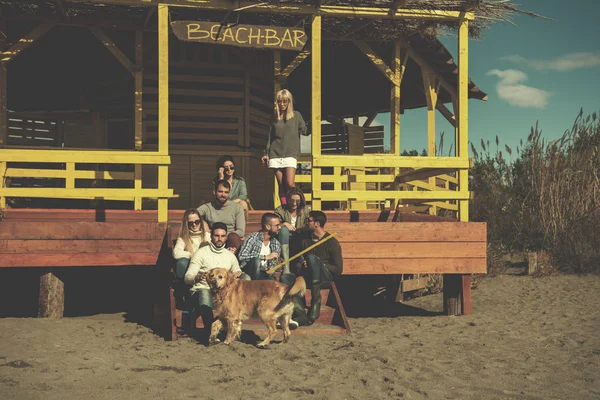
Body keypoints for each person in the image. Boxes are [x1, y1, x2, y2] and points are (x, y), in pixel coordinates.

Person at [184, 222, 250, 333]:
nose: (220, 239)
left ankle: (235, 321)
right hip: (202, 291)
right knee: (205, 292)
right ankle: (209, 329)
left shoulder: (229, 255)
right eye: (216, 235)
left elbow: (237, 271)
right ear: (211, 236)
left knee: (246, 278)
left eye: (223, 236)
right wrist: (198, 277)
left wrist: (238, 273)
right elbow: (188, 277)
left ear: (226, 237)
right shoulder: (201, 253)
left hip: (224, 294)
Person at [281, 211, 343, 326]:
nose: (306, 223)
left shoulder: (332, 242)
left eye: (309, 220)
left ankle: (316, 302)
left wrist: (320, 265)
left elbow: (338, 269)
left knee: (312, 258)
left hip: (324, 278)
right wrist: (302, 265)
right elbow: (297, 262)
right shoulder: (305, 240)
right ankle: (301, 314)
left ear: (317, 224)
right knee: (285, 278)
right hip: (307, 276)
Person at [261, 89, 310, 206]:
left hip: (290, 154)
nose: (282, 104)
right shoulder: (273, 117)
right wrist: (265, 153)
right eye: (279, 102)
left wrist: (313, 117)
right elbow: (270, 137)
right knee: (281, 184)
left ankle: (300, 205)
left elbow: (305, 131)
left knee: (290, 183)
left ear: (289, 102)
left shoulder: (296, 115)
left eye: (284, 102)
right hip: (275, 154)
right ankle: (284, 207)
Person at [172, 208, 211, 334]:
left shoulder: (206, 236)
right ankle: (185, 291)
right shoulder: (183, 238)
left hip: (204, 269)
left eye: (197, 221)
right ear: (186, 224)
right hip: (189, 272)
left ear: (201, 222)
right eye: (190, 223)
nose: (194, 225)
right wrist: (193, 255)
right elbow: (176, 253)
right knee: (182, 262)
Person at [197, 180, 245, 254]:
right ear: (214, 191)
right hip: (213, 240)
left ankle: (233, 262)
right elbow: (192, 215)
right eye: (220, 191)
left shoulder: (237, 207)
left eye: (226, 192)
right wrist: (203, 223)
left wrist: (224, 236)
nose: (223, 195)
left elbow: (241, 231)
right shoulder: (208, 207)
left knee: (233, 237)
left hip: (230, 241)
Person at [275, 187, 311, 275]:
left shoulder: (305, 210)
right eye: (292, 200)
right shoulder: (280, 210)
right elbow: (274, 225)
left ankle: (302, 264)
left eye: (297, 201)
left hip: (300, 237)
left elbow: (309, 225)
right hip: (284, 238)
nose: (294, 203)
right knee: (283, 230)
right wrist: (283, 224)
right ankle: (286, 264)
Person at [238, 212, 282, 281]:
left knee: (272, 281)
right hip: (249, 272)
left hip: (264, 273)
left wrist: (272, 269)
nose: (279, 227)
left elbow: (274, 263)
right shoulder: (252, 238)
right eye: (277, 225)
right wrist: (264, 257)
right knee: (256, 261)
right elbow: (242, 256)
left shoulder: (276, 244)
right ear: (268, 227)